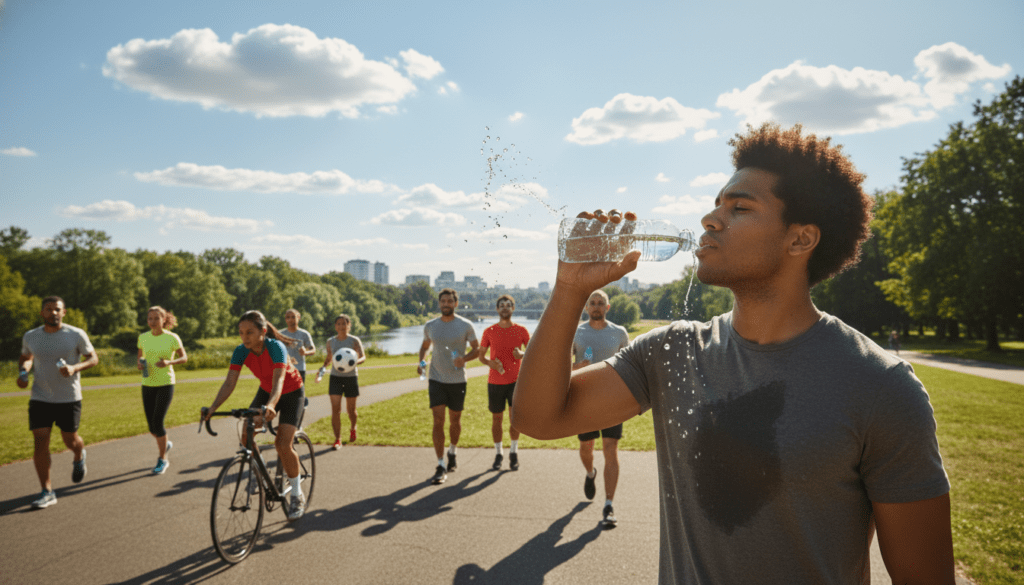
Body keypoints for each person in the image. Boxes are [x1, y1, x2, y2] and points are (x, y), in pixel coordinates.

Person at [513, 123, 954, 584]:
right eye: (717, 202)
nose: (710, 218)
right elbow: (539, 418)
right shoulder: (671, 351)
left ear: (800, 239)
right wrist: (568, 291)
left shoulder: (881, 387)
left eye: (740, 207)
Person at [201, 310, 308, 521]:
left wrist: (270, 406)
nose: (245, 337)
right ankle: (259, 476)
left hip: (291, 392)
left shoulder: (275, 347)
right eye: (241, 333)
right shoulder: (241, 351)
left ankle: (296, 494)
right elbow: (230, 382)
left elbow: (279, 381)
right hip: (267, 391)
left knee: (282, 444)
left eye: (250, 332)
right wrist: (212, 408)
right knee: (246, 434)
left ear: (263, 331)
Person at [17, 296, 99, 509]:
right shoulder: (31, 336)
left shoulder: (76, 334)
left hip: (68, 398)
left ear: (64, 313)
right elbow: (26, 356)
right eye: (49, 309)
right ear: (42, 313)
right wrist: (23, 372)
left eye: (57, 309)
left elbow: (93, 358)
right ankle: (47, 491)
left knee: (70, 440)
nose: (53, 312)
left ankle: (79, 454)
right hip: (40, 397)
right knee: (40, 440)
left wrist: (74, 368)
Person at [571, 290, 629, 526]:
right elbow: (562, 368)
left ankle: (609, 505)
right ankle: (590, 473)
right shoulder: (576, 332)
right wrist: (577, 366)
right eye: (592, 303)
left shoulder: (619, 333)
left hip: (612, 401)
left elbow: (630, 365)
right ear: (586, 308)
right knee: (586, 448)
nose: (596, 307)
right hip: (584, 400)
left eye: (600, 303)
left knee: (610, 448)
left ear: (608, 307)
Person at [418, 288, 479, 485]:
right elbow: (425, 346)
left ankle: (452, 450)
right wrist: (421, 362)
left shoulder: (465, 325)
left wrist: (465, 359)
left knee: (455, 420)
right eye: (443, 301)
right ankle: (440, 464)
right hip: (436, 379)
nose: (446, 304)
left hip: (458, 380)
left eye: (449, 301)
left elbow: (477, 350)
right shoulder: (430, 325)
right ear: (439, 303)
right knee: (437, 420)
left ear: (455, 304)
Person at [477, 294, 530, 471]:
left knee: (514, 420)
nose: (505, 308)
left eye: (508, 305)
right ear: (497, 309)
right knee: (496, 419)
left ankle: (513, 452)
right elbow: (481, 356)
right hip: (495, 382)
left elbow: (532, 352)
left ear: (513, 309)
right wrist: (489, 362)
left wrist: (522, 354)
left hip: (516, 382)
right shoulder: (489, 331)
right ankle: (499, 453)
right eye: (502, 305)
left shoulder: (521, 330)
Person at [137, 306, 188, 475]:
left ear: (163, 320)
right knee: (152, 427)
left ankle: (162, 459)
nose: (152, 322)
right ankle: (165, 443)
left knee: (158, 423)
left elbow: (184, 358)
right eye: (150, 319)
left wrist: (169, 362)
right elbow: (140, 357)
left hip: (166, 383)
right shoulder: (143, 337)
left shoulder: (172, 338)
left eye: (156, 319)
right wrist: (140, 364)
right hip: (147, 383)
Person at [319, 314, 365, 450]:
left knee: (351, 410)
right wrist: (322, 368)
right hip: (335, 378)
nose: (341, 326)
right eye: (338, 324)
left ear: (349, 325)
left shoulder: (354, 340)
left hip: (351, 377)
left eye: (344, 324)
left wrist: (356, 361)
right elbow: (329, 358)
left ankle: (353, 427)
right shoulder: (330, 342)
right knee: (335, 410)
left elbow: (363, 356)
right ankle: (337, 439)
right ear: (335, 326)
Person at [282, 309, 316, 383]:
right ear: (285, 319)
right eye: (288, 317)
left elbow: (313, 350)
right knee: (283, 394)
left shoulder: (304, 334)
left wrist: (305, 352)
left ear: (299, 318)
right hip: (283, 369)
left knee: (299, 394)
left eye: (293, 317)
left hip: (299, 369)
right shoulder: (280, 334)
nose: (290, 319)